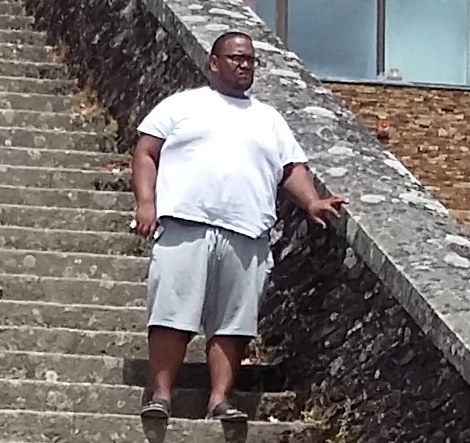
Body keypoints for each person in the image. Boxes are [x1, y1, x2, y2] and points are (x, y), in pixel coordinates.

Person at [131, 28, 344, 421]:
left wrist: (312, 201)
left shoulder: (269, 119)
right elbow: (146, 151)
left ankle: (219, 400)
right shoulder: (183, 105)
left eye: (250, 60)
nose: (245, 65)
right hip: (185, 225)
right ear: (214, 63)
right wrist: (147, 203)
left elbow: (290, 168)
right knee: (171, 315)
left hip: (246, 233)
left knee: (234, 323)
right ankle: (161, 395)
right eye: (236, 58)